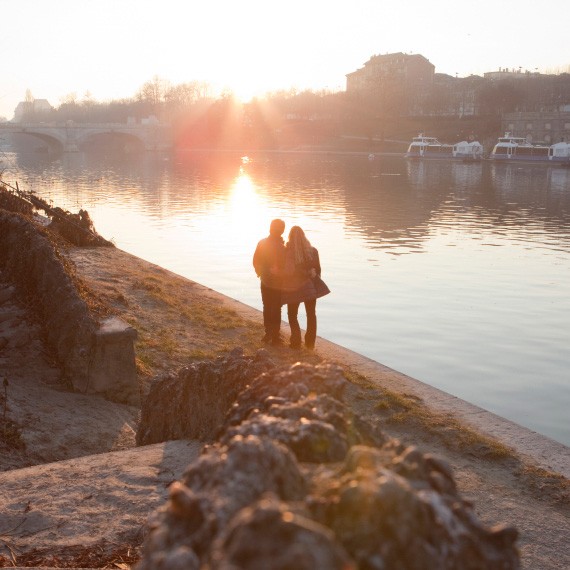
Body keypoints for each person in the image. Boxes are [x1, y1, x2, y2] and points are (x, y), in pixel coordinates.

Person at [281, 226, 329, 350]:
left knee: (292, 315)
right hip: (310, 288)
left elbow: (287, 272)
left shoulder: (287, 252)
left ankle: (296, 342)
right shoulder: (313, 251)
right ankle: (309, 344)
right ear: (304, 236)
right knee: (311, 315)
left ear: (290, 237)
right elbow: (318, 271)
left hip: (293, 289)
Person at [253, 218, 286, 345]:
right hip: (277, 282)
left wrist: (260, 273)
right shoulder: (282, 246)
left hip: (265, 280)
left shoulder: (262, 243)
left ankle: (268, 333)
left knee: (267, 306)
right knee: (276, 307)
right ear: (282, 230)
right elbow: (285, 265)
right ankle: (275, 335)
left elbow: (255, 261)